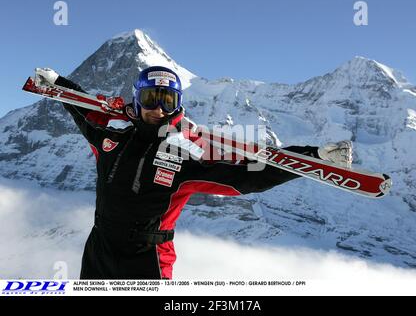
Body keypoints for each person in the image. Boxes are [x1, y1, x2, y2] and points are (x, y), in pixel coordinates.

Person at [35, 66, 352, 279]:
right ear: (137, 99)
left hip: (147, 260)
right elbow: (84, 113)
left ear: (177, 104)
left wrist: (312, 158)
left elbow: (248, 176)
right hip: (99, 251)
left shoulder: (185, 155)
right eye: (150, 98)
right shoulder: (111, 141)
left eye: (166, 100)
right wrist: (60, 86)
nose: (158, 108)